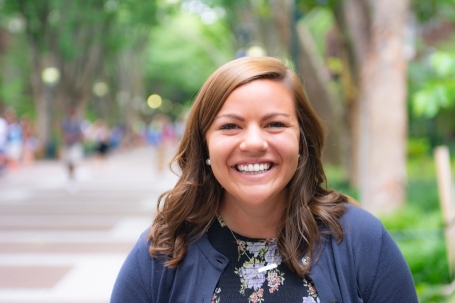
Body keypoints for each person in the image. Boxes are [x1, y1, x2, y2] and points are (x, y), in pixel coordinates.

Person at [111, 57, 418, 302]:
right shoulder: (162, 251)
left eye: (274, 124)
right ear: (204, 144)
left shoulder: (359, 240)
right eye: (230, 126)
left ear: (302, 141)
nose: (254, 143)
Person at [61, 108, 84, 192]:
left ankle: (73, 177)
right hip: (67, 145)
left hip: (75, 144)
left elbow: (80, 133)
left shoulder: (77, 121)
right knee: (68, 162)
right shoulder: (65, 121)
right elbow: (62, 132)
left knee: (74, 161)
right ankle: (70, 177)